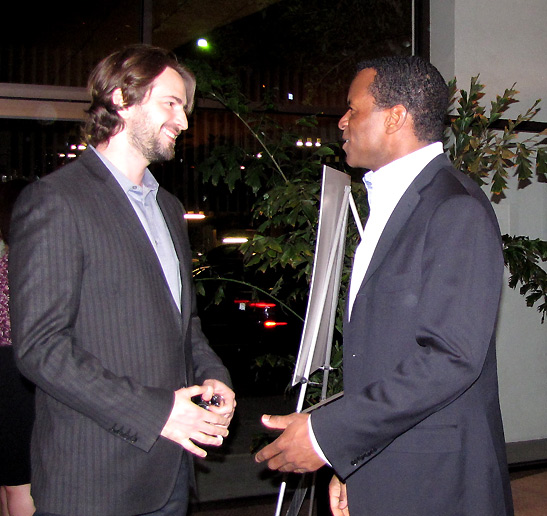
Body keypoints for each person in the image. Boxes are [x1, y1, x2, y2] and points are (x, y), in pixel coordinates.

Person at [255, 56, 514, 516]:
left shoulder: (455, 208)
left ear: (395, 117)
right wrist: (354, 463)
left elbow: (449, 358)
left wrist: (325, 436)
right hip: (391, 466)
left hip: (438, 484)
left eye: (353, 109)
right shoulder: (396, 204)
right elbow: (383, 357)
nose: (342, 121)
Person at [8, 44, 235, 516]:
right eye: (171, 103)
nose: (184, 121)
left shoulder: (169, 208)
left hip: (170, 471)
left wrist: (214, 376)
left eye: (185, 108)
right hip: (94, 480)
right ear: (120, 99)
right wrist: (159, 414)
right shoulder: (55, 201)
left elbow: (183, 325)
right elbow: (41, 349)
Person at [0, 179, 35, 516]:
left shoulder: (7, 260)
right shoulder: (28, 263)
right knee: (22, 480)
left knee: (8, 478)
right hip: (17, 372)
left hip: (7, 368)